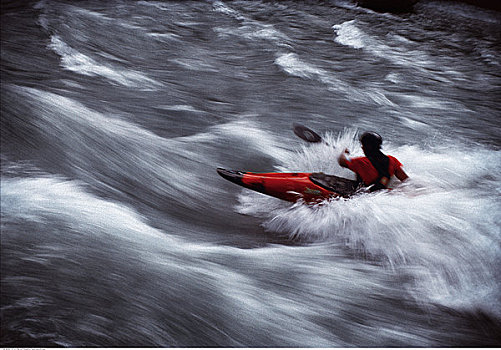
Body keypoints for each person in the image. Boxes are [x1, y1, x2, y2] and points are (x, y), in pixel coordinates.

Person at [338, 131, 408, 191]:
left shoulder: (361, 162)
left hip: (364, 195)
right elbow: (406, 181)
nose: (362, 147)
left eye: (363, 145)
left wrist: (344, 152)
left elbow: (341, 162)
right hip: (382, 194)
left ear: (368, 146)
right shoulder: (392, 160)